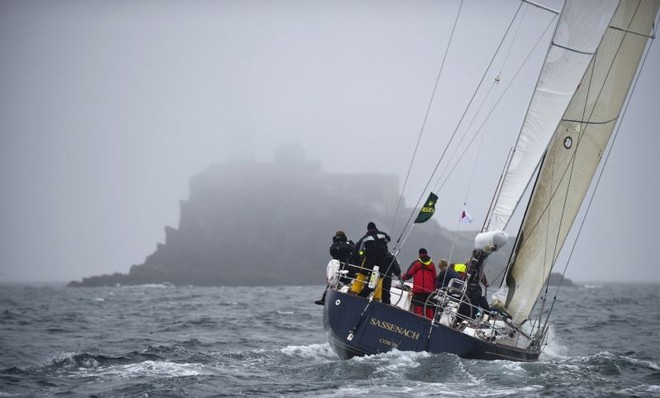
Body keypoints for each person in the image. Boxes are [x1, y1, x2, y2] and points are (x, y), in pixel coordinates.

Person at [350, 222, 390, 301]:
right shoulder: (383, 235)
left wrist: (361, 255)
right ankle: (376, 297)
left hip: (370, 260)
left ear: (368, 229)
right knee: (379, 277)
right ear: (376, 228)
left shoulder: (364, 238)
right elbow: (388, 239)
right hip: (381, 261)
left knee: (362, 274)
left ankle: (354, 291)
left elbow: (359, 250)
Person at [315, 230, 356, 305]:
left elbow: (333, 254)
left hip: (336, 267)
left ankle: (324, 299)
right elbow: (355, 250)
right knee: (351, 281)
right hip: (348, 266)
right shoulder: (348, 245)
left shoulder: (332, 246)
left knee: (332, 283)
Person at [401, 248, 437, 319]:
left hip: (418, 291)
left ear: (419, 254)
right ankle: (429, 325)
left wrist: (403, 278)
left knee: (418, 310)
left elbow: (409, 274)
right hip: (429, 292)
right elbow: (435, 278)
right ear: (427, 254)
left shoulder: (417, 264)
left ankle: (417, 324)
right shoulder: (432, 265)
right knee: (429, 310)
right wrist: (434, 290)